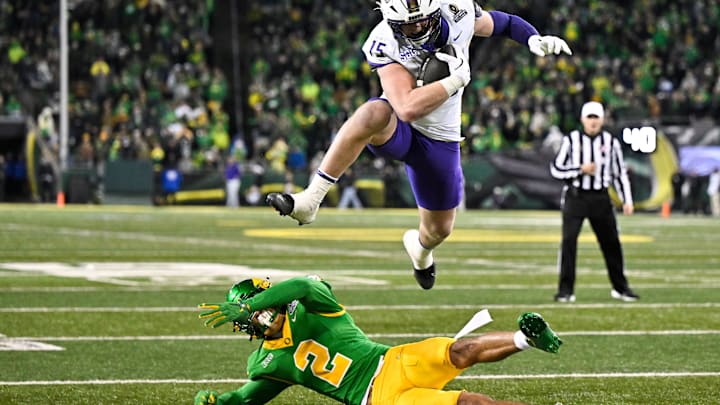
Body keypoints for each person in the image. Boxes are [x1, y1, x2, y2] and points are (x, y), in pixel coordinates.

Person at [267, 0, 572, 290]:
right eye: (406, 26)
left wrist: (533, 39)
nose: (415, 31)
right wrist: (454, 81)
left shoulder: (458, 10)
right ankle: (311, 199)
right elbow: (407, 108)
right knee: (373, 112)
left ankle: (421, 252)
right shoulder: (383, 40)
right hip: (399, 129)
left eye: (421, 22)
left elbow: (502, 23)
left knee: (438, 230)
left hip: (440, 139)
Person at [195, 275, 562, 405]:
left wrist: (253, 303)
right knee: (470, 404)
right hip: (380, 398)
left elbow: (305, 285)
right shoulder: (266, 362)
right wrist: (214, 401)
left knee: (459, 350)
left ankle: (526, 338)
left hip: (392, 359)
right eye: (254, 312)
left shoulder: (310, 306)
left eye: (263, 303)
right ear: (245, 327)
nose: (263, 312)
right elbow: (244, 400)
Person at [549, 101, 639, 303]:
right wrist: (580, 169)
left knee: (611, 244)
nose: (592, 121)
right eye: (589, 117)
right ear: (582, 119)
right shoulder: (571, 140)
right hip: (576, 196)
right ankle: (565, 290)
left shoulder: (611, 141)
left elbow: (619, 173)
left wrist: (627, 200)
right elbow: (556, 169)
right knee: (569, 242)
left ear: (602, 120)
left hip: (600, 197)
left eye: (596, 117)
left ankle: (620, 287)